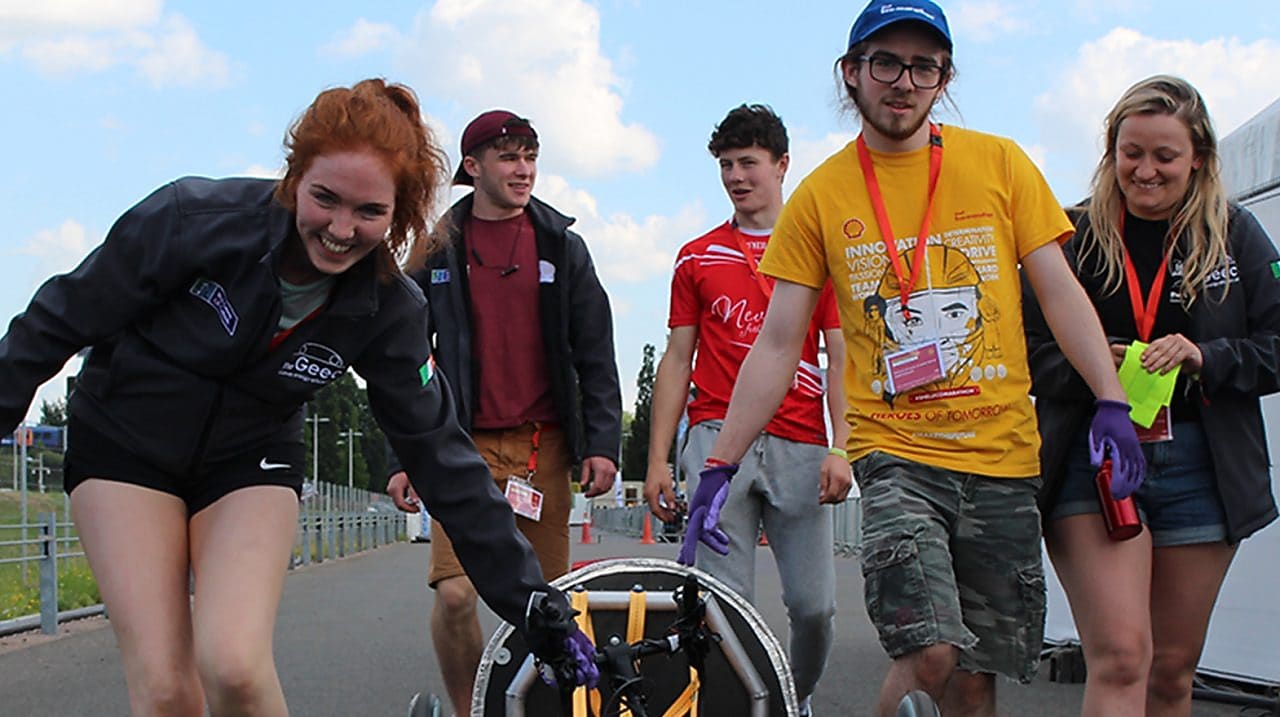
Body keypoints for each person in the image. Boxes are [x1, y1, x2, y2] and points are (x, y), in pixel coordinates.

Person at [0, 80, 595, 717]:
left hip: (247, 461)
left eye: (369, 212)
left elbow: (443, 457)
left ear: (400, 215)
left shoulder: (391, 310)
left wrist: (534, 604)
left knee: (234, 665)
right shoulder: (191, 220)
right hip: (125, 446)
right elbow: (52, 323)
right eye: (324, 199)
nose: (340, 230)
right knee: (168, 687)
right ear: (293, 179)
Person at [676, 3, 1146, 716]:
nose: (904, 81)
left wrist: (1110, 397)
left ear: (944, 78)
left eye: (924, 66)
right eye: (886, 62)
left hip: (1003, 458)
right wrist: (720, 462)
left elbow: (1059, 293)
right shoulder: (821, 196)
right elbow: (777, 343)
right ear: (851, 73)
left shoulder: (1000, 163)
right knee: (931, 652)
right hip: (897, 457)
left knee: (975, 681)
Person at [1024, 75, 1280, 716]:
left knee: (1169, 672)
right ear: (1110, 151)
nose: (1144, 171)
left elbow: (1275, 345)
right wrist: (1093, 366)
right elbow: (1021, 348)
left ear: (1199, 157)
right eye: (1130, 153)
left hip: (1202, 467)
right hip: (1093, 462)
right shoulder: (1070, 235)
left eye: (1164, 156)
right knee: (1120, 657)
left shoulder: (1236, 234)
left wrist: (1205, 358)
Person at [385, 109, 622, 715]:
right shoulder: (437, 249)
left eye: (530, 157)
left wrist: (602, 443)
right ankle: (473, 709)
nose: (523, 170)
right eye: (509, 157)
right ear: (473, 166)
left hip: (543, 448)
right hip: (456, 449)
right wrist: (402, 456)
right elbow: (397, 355)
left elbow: (595, 351)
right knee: (456, 595)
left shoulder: (562, 247)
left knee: (548, 604)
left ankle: (542, 708)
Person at [642, 103, 849, 717]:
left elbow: (841, 356)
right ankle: (740, 706)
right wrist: (658, 459)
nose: (736, 176)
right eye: (726, 165)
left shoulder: (818, 253)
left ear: (782, 165)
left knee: (815, 607)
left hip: (801, 440)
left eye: (749, 163)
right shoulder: (697, 256)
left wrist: (842, 446)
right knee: (723, 605)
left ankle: (794, 697)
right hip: (715, 438)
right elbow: (677, 359)